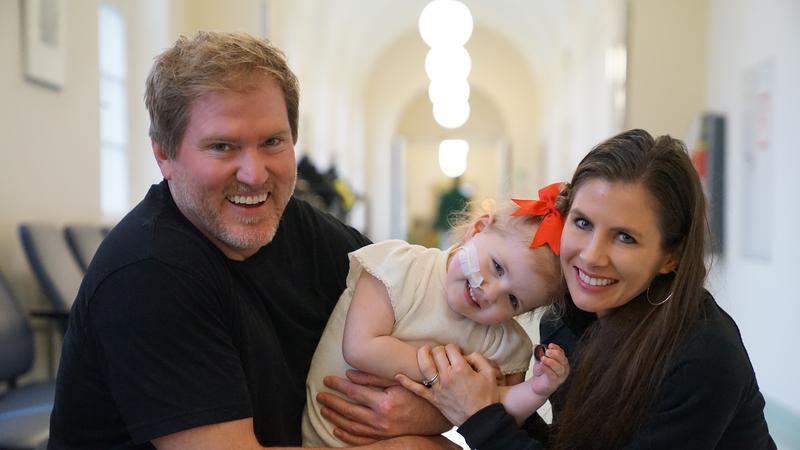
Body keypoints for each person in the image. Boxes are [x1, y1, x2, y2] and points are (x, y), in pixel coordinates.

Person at [48, 31, 455, 449]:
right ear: (164, 156)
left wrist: (427, 411)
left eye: (272, 142)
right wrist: (414, 444)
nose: (255, 174)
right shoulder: (147, 273)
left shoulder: (298, 226)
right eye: (223, 146)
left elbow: (428, 307)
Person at [398, 129, 777, 449]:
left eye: (625, 237)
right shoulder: (564, 323)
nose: (591, 256)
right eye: (582, 223)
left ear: (670, 257)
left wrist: (480, 417)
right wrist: (496, 401)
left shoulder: (703, 356)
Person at [303, 184, 571, 447]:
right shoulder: (402, 268)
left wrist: (536, 389)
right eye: (497, 267)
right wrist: (453, 380)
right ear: (477, 230)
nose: (490, 293)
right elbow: (360, 347)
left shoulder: (503, 342)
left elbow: (495, 412)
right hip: (325, 438)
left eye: (513, 300)